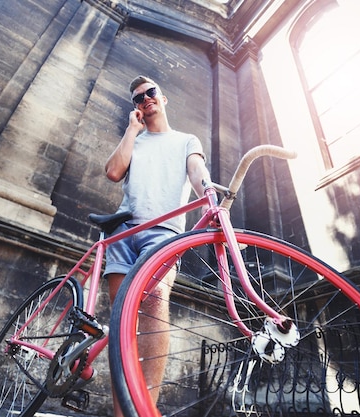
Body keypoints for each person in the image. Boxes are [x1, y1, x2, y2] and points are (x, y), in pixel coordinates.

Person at [104, 75, 212, 416]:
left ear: (163, 99)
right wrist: (131, 131)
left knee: (153, 303)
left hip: (162, 232)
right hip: (123, 231)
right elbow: (112, 171)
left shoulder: (185, 140)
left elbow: (196, 170)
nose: (146, 99)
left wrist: (208, 194)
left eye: (151, 93)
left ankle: (145, 408)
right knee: (123, 322)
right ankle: (123, 412)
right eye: (138, 98)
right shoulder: (134, 141)